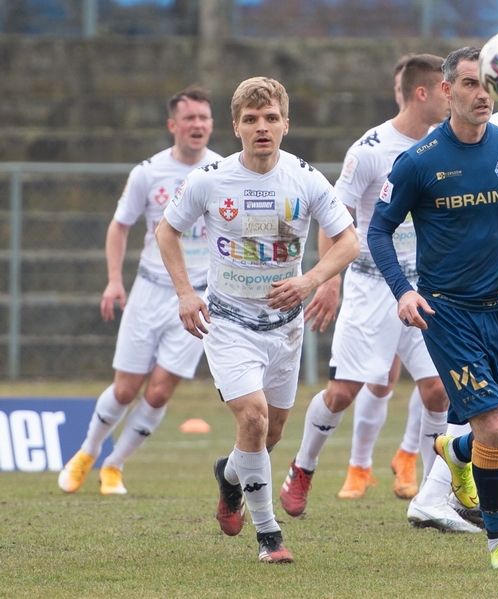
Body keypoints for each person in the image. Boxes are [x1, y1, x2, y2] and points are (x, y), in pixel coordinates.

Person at [156, 76, 359, 563]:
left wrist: (309, 281)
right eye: (251, 120)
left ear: (286, 124)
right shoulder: (211, 178)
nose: (261, 127)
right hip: (227, 323)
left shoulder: (306, 178)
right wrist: (186, 294)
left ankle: (230, 476)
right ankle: (269, 538)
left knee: (267, 437)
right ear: (236, 127)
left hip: (284, 329)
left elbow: (350, 241)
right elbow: (167, 232)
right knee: (252, 416)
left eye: (271, 118)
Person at [369, 46, 498, 569]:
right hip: (449, 314)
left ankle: (454, 451)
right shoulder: (419, 162)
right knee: (492, 427)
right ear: (447, 91)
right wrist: (404, 290)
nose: (481, 93)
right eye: (469, 83)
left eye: (488, 83)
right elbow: (377, 229)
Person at [278, 54, 457, 519]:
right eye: (446, 88)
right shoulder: (371, 149)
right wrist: (329, 281)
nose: (452, 96)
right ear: (423, 93)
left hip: (427, 287)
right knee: (343, 392)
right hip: (372, 285)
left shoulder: (449, 142)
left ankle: (434, 494)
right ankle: (304, 466)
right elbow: (334, 216)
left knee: (438, 389)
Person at [58, 87, 222, 496]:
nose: (198, 125)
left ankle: (114, 466)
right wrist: (115, 279)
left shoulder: (225, 171)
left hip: (198, 296)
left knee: (162, 388)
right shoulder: (147, 173)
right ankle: (88, 451)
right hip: (151, 290)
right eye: (189, 119)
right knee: (127, 387)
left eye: (204, 118)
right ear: (173, 126)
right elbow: (119, 226)